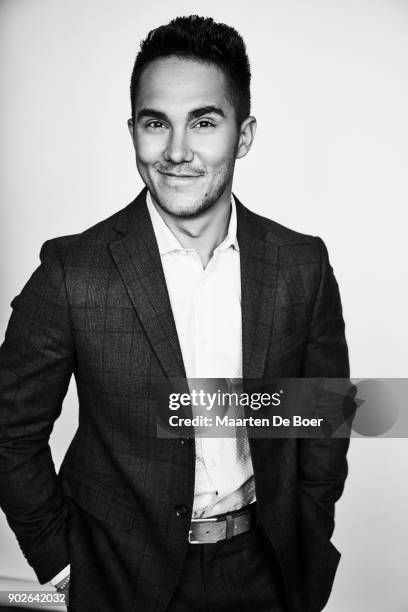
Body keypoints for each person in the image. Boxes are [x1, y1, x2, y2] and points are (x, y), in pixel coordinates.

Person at [0, 15, 352, 612]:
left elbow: (321, 414)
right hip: (118, 576)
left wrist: (311, 532)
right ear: (133, 130)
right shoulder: (71, 272)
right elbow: (10, 432)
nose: (177, 151)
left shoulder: (302, 265)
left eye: (205, 123)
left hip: (265, 568)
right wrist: (61, 567)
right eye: (155, 123)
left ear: (243, 136)